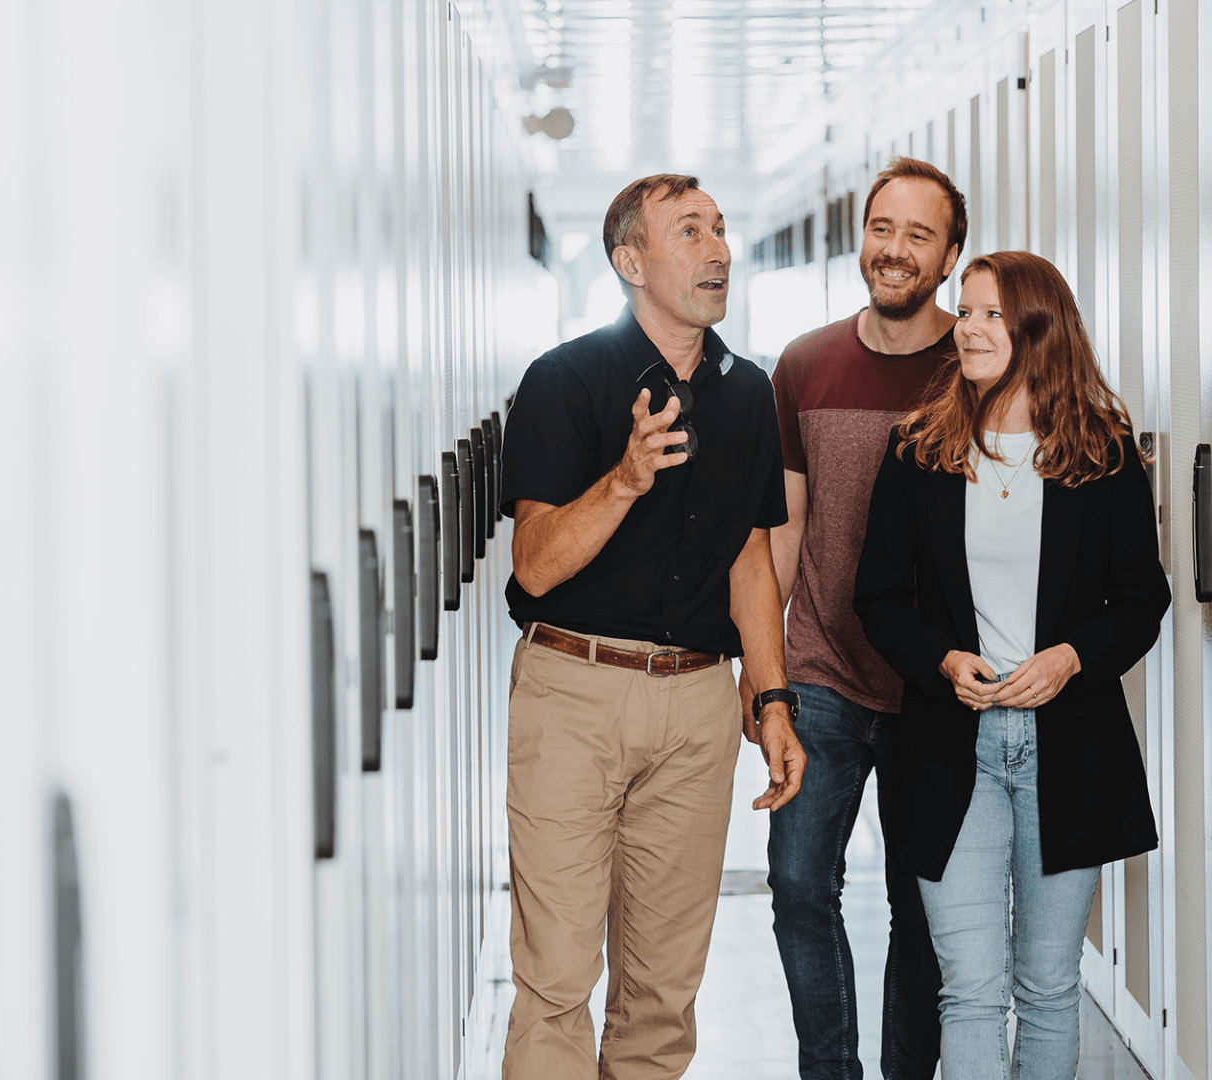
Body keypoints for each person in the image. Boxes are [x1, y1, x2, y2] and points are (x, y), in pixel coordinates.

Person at [497, 173, 809, 1080]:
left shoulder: (747, 392)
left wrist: (772, 698)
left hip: (697, 707)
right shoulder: (564, 380)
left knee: (662, 995)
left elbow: (750, 557)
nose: (718, 251)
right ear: (630, 262)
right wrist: (627, 480)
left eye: (720, 229)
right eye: (689, 232)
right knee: (557, 980)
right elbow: (535, 563)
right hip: (574, 695)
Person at [851, 251, 1169, 1080]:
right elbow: (877, 598)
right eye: (966, 312)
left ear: (1039, 329)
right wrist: (942, 658)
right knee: (969, 988)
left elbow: (1142, 599)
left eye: (992, 314)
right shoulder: (919, 450)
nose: (970, 329)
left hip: (1069, 746)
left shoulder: (1101, 452)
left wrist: (1070, 658)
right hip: (950, 747)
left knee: (1049, 987)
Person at [757, 156, 963, 1080]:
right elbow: (785, 530)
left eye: (920, 234)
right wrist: (765, 676)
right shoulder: (804, 364)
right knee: (800, 886)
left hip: (938, 683)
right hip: (824, 675)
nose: (896, 249)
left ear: (950, 256)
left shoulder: (977, 365)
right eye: (883, 228)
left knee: (922, 909)